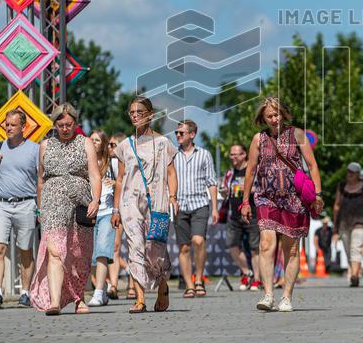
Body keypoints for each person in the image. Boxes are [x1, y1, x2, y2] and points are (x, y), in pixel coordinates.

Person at [240, 97, 324, 311]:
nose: (274, 119)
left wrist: (318, 194)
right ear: (263, 118)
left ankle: (286, 297)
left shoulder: (297, 134)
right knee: (266, 244)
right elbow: (250, 171)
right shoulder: (258, 139)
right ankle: (268, 295)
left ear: (284, 114)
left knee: (292, 249)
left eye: (277, 114)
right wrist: (245, 201)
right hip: (266, 197)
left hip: (293, 199)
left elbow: (312, 166)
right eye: (270, 116)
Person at [30, 103, 102, 315]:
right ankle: (54, 302)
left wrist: (95, 200)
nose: (65, 128)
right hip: (52, 204)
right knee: (55, 251)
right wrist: (40, 208)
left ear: (75, 124)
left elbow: (94, 174)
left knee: (78, 254)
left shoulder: (85, 143)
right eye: (61, 125)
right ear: (54, 125)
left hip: (80, 203)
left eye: (69, 124)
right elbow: (41, 181)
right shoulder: (45, 146)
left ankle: (79, 298)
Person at [112, 96, 176, 313]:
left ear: (150, 115)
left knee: (155, 248)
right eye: (132, 112)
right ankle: (139, 298)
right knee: (135, 247)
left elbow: (170, 172)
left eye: (140, 112)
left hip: (156, 202)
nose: (135, 116)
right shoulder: (124, 146)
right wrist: (115, 208)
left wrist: (173, 197)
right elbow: (120, 179)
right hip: (130, 202)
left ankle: (162, 286)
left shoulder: (163, 143)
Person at [0, 109, 39, 309]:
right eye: (6, 124)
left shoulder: (35, 149)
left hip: (26, 203)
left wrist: (41, 205)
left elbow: (42, 179)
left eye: (13, 125)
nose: (8, 128)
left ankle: (25, 292)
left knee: (25, 251)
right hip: (0, 204)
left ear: (23, 127)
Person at [171, 119, 218, 298]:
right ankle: (189, 285)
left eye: (181, 133)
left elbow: (212, 182)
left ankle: (199, 278)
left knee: (198, 241)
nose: (178, 136)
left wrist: (214, 208)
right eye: (176, 133)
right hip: (180, 206)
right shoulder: (173, 155)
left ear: (192, 134)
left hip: (200, 204)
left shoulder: (204, 154)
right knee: (183, 248)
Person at [220, 144, 261, 290]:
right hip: (234, 216)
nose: (233, 157)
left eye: (236, 154)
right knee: (232, 245)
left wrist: (250, 189)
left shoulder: (252, 170)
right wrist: (224, 192)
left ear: (244, 155)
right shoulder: (230, 173)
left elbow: (261, 189)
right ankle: (247, 273)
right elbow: (225, 190)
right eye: (231, 154)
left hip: (253, 214)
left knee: (255, 248)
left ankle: (257, 279)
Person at [87, 130, 117, 307]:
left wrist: (115, 183)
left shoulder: (111, 163)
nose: (93, 142)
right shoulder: (84, 162)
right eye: (91, 140)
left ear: (103, 144)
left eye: (97, 140)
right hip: (89, 212)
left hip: (106, 211)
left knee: (102, 252)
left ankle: (98, 293)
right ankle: (101, 289)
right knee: (90, 256)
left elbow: (124, 180)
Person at [333, 161, 363, 287]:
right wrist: (335, 227)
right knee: (348, 249)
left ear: (358, 174)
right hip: (344, 223)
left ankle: (354, 275)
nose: (350, 174)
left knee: (356, 247)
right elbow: (336, 206)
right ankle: (355, 271)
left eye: (353, 172)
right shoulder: (341, 187)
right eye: (349, 171)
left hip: (360, 222)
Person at [107, 132, 126, 299]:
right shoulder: (109, 162)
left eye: (113, 145)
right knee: (115, 246)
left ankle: (134, 285)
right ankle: (113, 285)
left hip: (129, 206)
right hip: (115, 207)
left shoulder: (125, 161)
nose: (109, 147)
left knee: (135, 246)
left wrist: (116, 183)